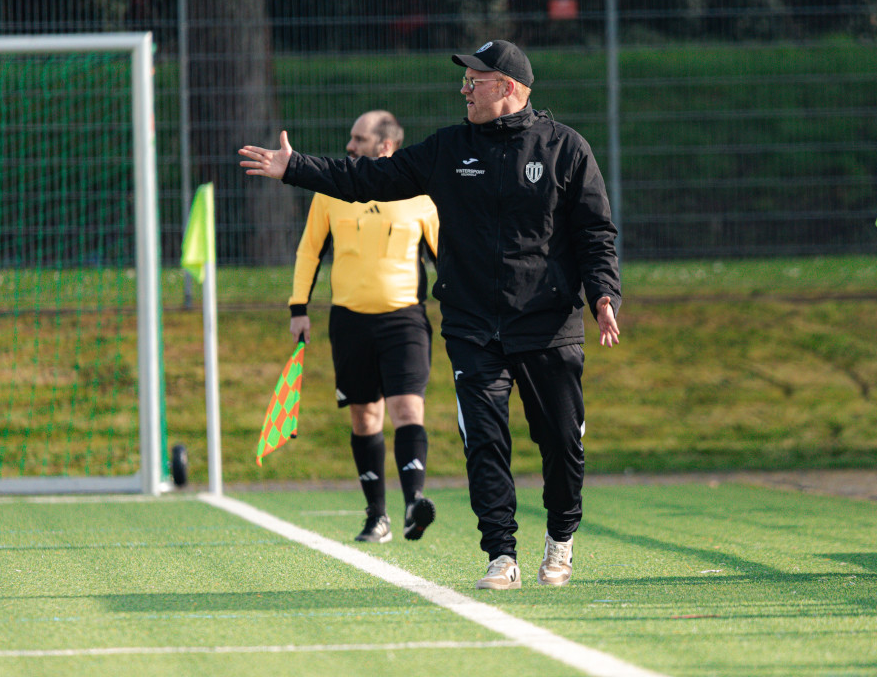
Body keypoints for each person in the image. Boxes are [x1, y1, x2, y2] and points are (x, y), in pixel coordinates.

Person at [241, 40, 621, 590]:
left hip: (547, 322)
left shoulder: (565, 148)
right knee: (484, 439)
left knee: (561, 441)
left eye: (476, 80)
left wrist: (604, 292)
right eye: (464, 80)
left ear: (508, 88)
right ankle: (502, 554)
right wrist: (295, 167)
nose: (464, 89)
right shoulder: (449, 149)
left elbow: (595, 234)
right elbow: (368, 179)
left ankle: (560, 539)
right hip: (472, 325)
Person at [289, 110, 440, 544]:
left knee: (408, 409)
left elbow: (445, 258)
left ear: (385, 146)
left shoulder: (420, 198)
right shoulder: (331, 191)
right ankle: (377, 516)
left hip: (405, 320)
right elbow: (308, 253)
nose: (350, 146)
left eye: (359, 138)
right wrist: (299, 308)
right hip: (349, 321)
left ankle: (414, 504)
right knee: (364, 416)